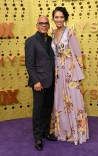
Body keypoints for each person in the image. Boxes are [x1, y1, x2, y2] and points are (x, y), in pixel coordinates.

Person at [50, 7, 89, 145]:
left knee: (73, 100)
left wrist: (76, 74)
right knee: (59, 100)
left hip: (69, 71)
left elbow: (78, 54)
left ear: (65, 18)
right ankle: (62, 132)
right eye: (56, 17)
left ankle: (76, 132)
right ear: (53, 19)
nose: (59, 19)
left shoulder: (70, 32)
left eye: (61, 17)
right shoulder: (53, 32)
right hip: (57, 72)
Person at [25, 15, 56, 151]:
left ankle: (45, 132)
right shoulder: (31, 41)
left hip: (51, 81)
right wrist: (36, 81)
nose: (44, 25)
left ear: (49, 26)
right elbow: (29, 64)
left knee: (47, 109)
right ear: (37, 25)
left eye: (46, 23)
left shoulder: (50, 40)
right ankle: (37, 137)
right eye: (41, 23)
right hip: (39, 82)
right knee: (38, 109)